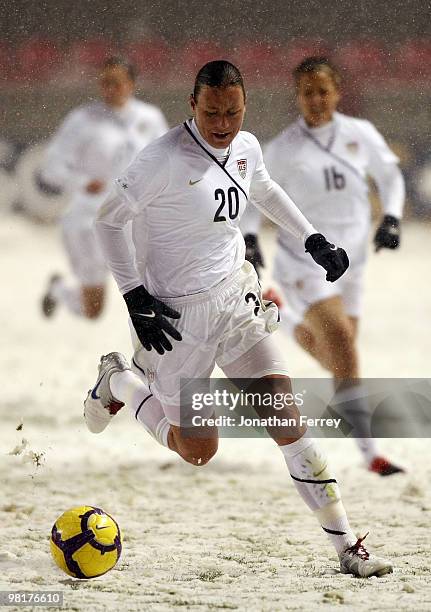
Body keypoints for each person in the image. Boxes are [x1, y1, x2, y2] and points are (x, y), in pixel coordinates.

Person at [84, 60, 393, 577]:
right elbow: (108, 221)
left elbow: (264, 188)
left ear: (244, 106)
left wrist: (312, 238)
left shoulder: (246, 146)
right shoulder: (159, 160)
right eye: (212, 112)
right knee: (198, 450)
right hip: (175, 320)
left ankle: (346, 549)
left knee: (288, 424)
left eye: (233, 111)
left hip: (235, 303)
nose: (223, 123)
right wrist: (134, 294)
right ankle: (120, 380)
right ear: (192, 105)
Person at [249, 57, 405, 476]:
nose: (316, 99)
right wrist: (250, 239)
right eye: (307, 92)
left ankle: (283, 318)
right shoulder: (283, 149)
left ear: (337, 92)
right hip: (305, 259)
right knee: (340, 341)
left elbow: (390, 177)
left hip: (354, 259)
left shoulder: (360, 134)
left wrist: (391, 216)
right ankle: (371, 452)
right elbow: (254, 195)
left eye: (323, 91)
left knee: (340, 355)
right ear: (296, 97)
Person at [40, 56, 168, 319]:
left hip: (135, 221)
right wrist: (82, 182)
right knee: (93, 309)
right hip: (90, 221)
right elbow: (51, 165)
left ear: (131, 84)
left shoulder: (150, 118)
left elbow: (168, 162)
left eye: (116, 83)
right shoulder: (83, 120)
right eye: (104, 83)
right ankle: (60, 289)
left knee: (154, 294)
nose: (109, 89)